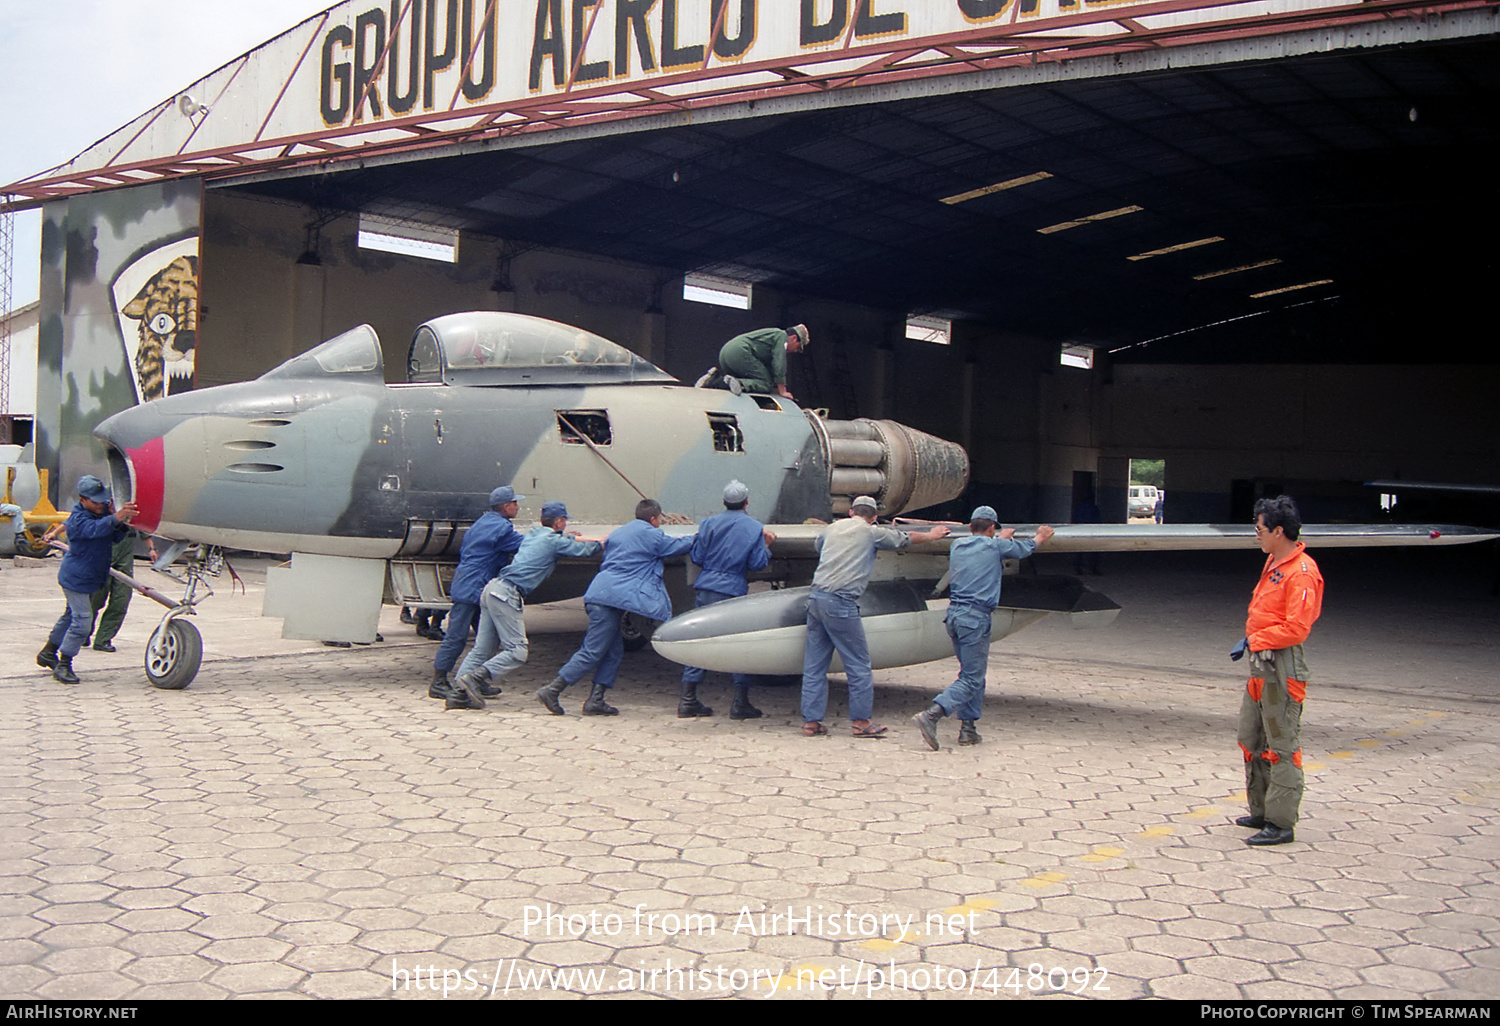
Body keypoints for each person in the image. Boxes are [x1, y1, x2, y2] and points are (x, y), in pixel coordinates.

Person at [800, 496, 949, 738]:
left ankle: (811, 722)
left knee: (815, 665)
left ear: (851, 512)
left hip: (816, 599)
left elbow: (819, 547)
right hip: (841, 603)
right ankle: (861, 723)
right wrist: (932, 535)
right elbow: (906, 539)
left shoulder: (831, 528)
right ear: (874, 517)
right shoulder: (872, 533)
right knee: (858, 665)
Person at [536, 498, 695, 717]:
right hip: (610, 600)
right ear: (654, 519)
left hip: (601, 594)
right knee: (592, 650)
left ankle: (596, 700)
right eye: (659, 519)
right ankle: (553, 689)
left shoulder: (619, 532)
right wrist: (700, 537)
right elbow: (676, 547)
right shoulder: (651, 534)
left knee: (613, 651)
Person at [912, 508, 1054, 750]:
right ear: (991, 528)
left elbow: (984, 546)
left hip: (955, 616)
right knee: (972, 677)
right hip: (975, 618)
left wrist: (1000, 540)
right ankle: (933, 714)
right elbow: (1026, 549)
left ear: (969, 528)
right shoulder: (995, 545)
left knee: (971, 673)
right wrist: (1040, 536)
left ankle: (968, 730)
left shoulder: (958, 545)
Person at [448, 501, 603, 711]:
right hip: (508, 594)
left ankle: (458, 694)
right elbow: (585, 551)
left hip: (492, 589)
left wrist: (570, 536)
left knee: (482, 650)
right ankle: (474, 679)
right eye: (565, 521)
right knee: (518, 651)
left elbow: (555, 541)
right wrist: (603, 543)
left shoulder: (534, 534)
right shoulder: (553, 541)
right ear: (559, 522)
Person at [1231, 495, 1324, 847]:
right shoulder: (1274, 562)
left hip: (1281, 664)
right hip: (1262, 661)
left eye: (1260, 529)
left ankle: (1281, 822)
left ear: (1278, 531)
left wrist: (1257, 638)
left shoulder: (1302, 572)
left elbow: (1298, 628)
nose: (1257, 535)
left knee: (1281, 743)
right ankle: (1261, 810)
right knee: (1252, 736)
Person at [677, 480, 777, 719]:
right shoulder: (754, 528)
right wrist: (767, 545)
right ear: (747, 502)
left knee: (697, 642)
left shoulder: (708, 523)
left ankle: (688, 699)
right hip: (732, 590)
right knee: (737, 647)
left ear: (723, 502)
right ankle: (740, 704)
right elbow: (757, 563)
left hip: (705, 587)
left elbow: (698, 556)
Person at [35, 475, 138, 684]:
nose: (100, 504)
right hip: (76, 579)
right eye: (95, 501)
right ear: (83, 500)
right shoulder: (77, 520)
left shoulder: (100, 515)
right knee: (82, 621)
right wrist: (115, 517)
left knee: (69, 616)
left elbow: (116, 536)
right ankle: (64, 664)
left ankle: (47, 653)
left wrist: (118, 521)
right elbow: (93, 531)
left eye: (102, 500)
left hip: (90, 578)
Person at [430, 486, 525, 707]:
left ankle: (478, 680)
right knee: (456, 636)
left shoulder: (485, 521)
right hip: (472, 586)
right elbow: (523, 545)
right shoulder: (500, 528)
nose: (517, 506)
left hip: (473, 584)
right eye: (515, 503)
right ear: (505, 506)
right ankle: (438, 681)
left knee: (488, 638)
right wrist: (553, 537)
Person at [87, 528, 157, 652]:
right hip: (103, 555)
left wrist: (151, 549)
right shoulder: (102, 510)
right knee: (95, 599)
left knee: (121, 600)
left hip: (124, 559)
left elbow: (144, 530)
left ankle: (103, 639)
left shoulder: (134, 511)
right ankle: (83, 633)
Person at [716, 325, 808, 399]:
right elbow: (779, 364)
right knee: (766, 383)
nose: (795, 351)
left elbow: (769, 367)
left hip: (726, 352)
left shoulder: (773, 335)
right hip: (740, 352)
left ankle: (715, 380)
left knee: (752, 380)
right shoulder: (781, 337)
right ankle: (739, 383)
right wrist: (782, 391)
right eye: (798, 347)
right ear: (794, 338)